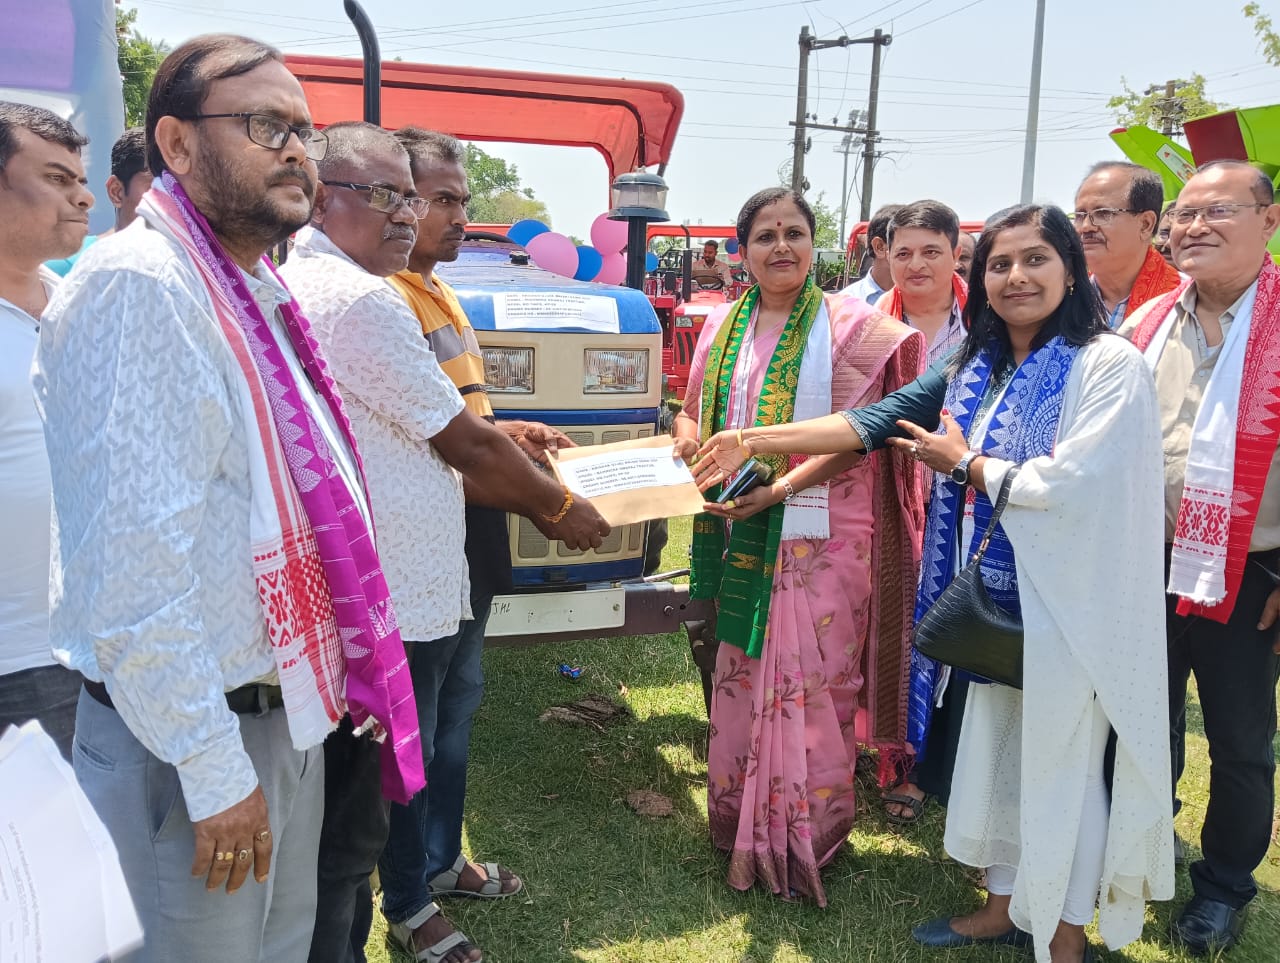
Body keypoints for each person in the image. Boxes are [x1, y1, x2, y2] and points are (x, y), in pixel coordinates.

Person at [696, 204, 1174, 962]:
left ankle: (1067, 934)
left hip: (1073, 605)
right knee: (1003, 750)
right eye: (1000, 263)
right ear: (979, 278)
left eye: (1035, 260)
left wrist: (968, 467)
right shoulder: (976, 365)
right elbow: (870, 422)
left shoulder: (1104, 362)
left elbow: (1076, 481)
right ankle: (1002, 905)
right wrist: (752, 439)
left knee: (1066, 764)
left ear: (1070, 271)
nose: (1016, 277)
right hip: (989, 599)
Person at [34, 36, 425, 963]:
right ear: (175, 145)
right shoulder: (145, 286)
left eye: (303, 129)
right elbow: (133, 577)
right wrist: (214, 773)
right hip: (186, 742)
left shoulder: (252, 288)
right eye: (264, 125)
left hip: (277, 711)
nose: (297, 149)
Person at [279, 122, 609, 963]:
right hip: (397, 581)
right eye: (395, 194)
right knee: (376, 788)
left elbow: (455, 422)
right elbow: (461, 445)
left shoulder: (408, 288)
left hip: (427, 565)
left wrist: (513, 438)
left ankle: (426, 868)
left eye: (418, 196)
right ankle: (407, 896)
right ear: (323, 197)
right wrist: (559, 508)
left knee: (437, 727)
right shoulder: (362, 297)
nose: (415, 213)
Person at [672, 186, 927, 906]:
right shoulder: (722, 325)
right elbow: (693, 414)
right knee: (742, 669)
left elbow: (861, 435)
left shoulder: (856, 328)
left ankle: (805, 835)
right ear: (743, 250)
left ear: (816, 244)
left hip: (825, 532)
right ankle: (738, 820)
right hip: (740, 523)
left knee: (815, 682)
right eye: (764, 235)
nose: (780, 246)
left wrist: (780, 490)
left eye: (793, 232)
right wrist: (689, 448)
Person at [1119, 159, 1280, 955]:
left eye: (1219, 210)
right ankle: (1151, 852)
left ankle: (1222, 888)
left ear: (1269, 222)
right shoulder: (1145, 326)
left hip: (1256, 574)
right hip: (1146, 558)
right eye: (1183, 213)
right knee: (1143, 722)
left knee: (1242, 741)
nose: (1194, 226)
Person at [0, 102, 92, 759]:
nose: (84, 195)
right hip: (16, 659)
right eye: (58, 179)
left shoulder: (75, 305)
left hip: (93, 648)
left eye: (80, 178)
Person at [1073, 160, 1180, 328]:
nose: (1086, 226)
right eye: (1080, 215)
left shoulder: (1186, 301)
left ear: (1146, 224)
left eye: (1102, 213)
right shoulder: (1061, 298)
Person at [45, 127, 149, 276]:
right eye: (157, 187)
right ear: (116, 192)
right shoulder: (63, 268)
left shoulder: (188, 269)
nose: (176, 200)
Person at [877, 200, 968, 367]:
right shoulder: (868, 325)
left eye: (930, 252)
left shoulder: (985, 318)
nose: (916, 265)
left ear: (956, 255)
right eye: (903, 254)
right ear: (889, 257)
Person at [839, 202, 901, 304]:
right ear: (879, 247)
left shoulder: (927, 302)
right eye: (905, 251)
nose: (917, 261)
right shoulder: (844, 303)